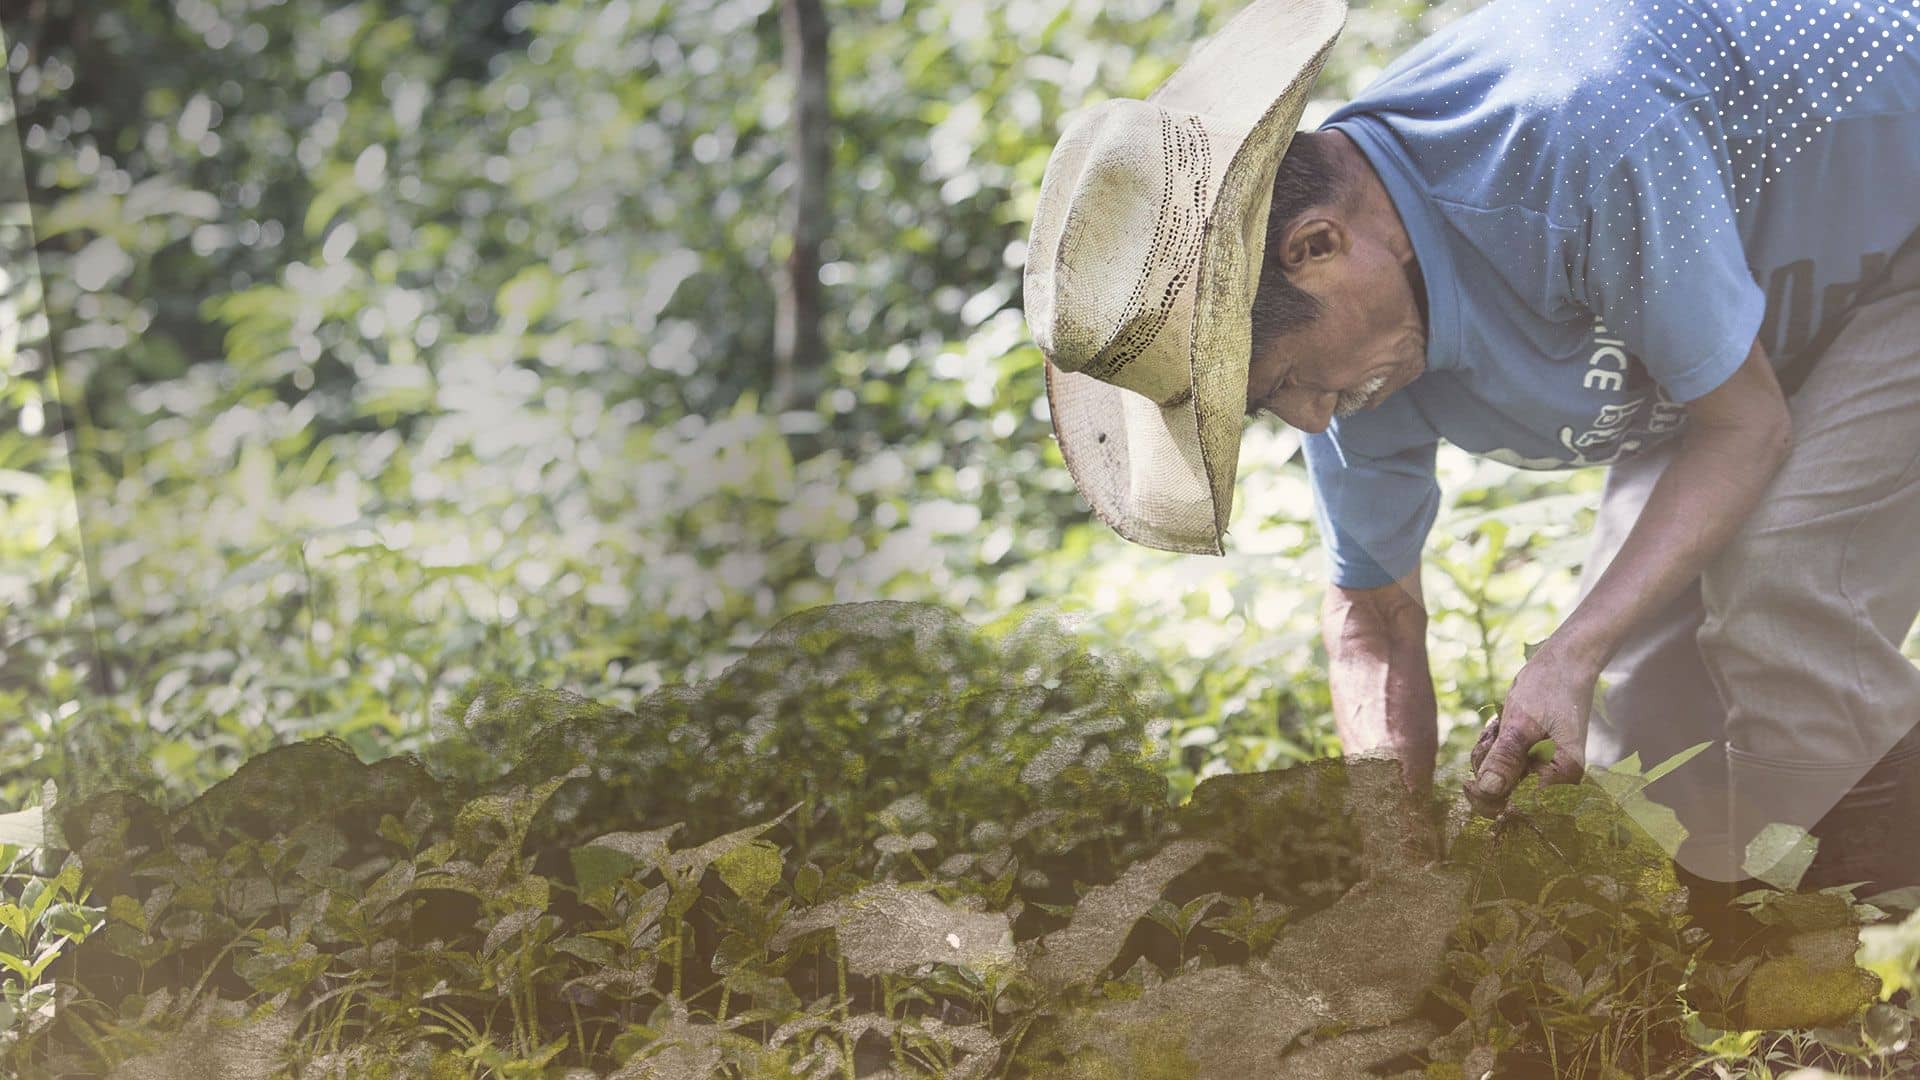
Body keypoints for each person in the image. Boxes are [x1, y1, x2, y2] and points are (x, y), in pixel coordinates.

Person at [1024, 0, 1920, 891]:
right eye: (1271, 406)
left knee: (1784, 584)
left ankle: (1814, 960)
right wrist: (1399, 866)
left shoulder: (1573, 139)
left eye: (1289, 379)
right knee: (1634, 695)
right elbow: (1372, 619)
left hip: (1898, 241)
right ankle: (1716, 963)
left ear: (1321, 245)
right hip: (1756, 317)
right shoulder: (1347, 347)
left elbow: (1745, 428)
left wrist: (1565, 651)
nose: (1307, 421)